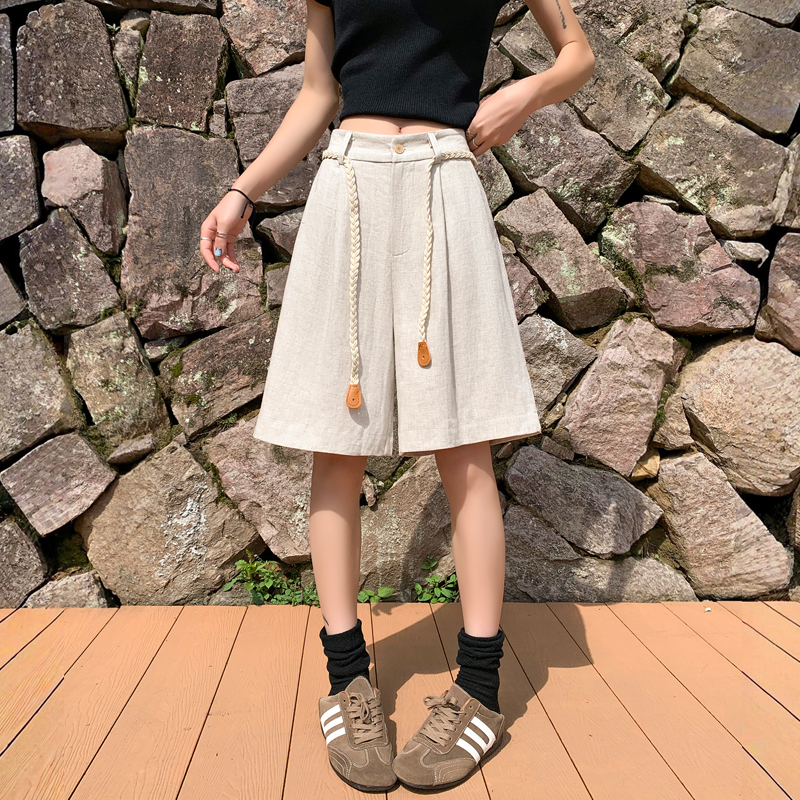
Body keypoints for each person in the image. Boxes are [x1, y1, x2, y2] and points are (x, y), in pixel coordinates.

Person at [200, 0, 594, 790]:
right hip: (347, 184)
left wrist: (523, 95)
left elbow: (577, 55)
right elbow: (319, 92)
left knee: (464, 443)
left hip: (445, 183)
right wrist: (243, 191)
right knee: (336, 442)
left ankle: (478, 686)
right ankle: (346, 678)